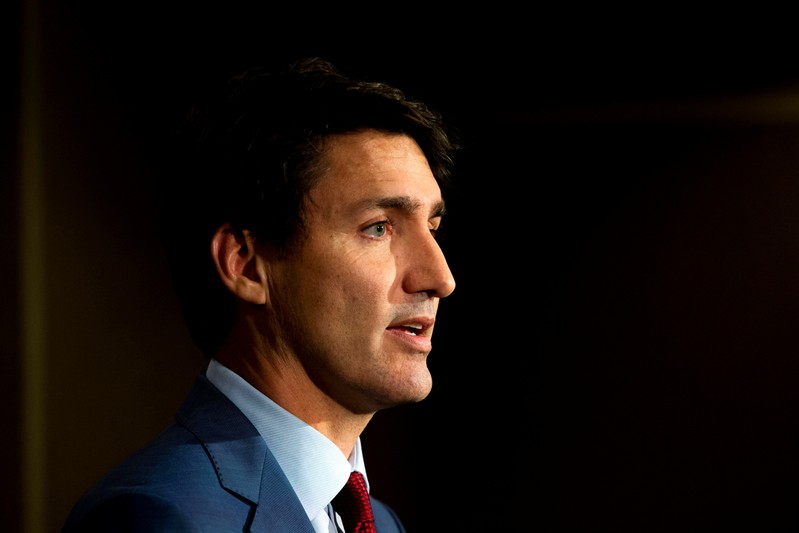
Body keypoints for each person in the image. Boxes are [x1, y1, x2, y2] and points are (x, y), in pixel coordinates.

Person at [61, 56, 459, 532]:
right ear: (247, 266)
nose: (440, 277)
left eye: (433, 227)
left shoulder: (383, 523)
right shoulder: (161, 517)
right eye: (378, 228)